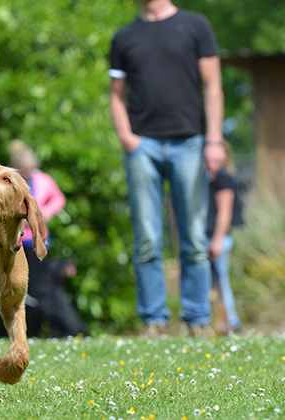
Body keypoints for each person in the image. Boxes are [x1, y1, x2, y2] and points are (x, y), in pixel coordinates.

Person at [108, 0, 226, 338]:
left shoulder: (196, 25)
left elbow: (213, 86)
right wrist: (126, 137)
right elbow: (116, 94)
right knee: (147, 237)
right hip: (142, 146)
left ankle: (197, 318)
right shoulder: (124, 36)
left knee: (192, 237)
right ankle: (153, 320)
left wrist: (214, 140)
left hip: (189, 142)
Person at [8, 140, 75, 337]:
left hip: (40, 240)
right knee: (26, 289)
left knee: (41, 289)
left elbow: (58, 199)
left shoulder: (43, 179)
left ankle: (51, 330)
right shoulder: (12, 182)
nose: (28, 172)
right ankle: (31, 331)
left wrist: (44, 214)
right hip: (19, 241)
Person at [207, 141, 243, 335]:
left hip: (217, 239)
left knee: (220, 284)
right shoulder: (214, 177)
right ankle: (222, 324)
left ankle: (229, 324)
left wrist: (216, 240)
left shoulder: (223, 178)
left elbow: (225, 212)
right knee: (214, 285)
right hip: (212, 238)